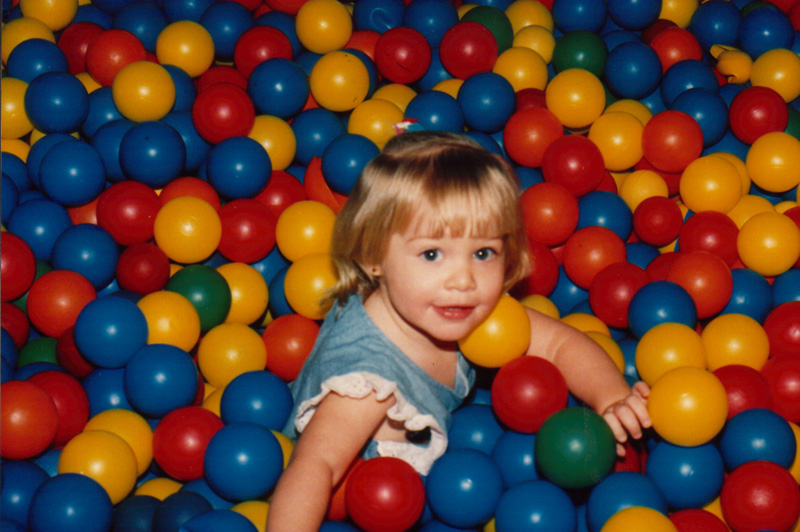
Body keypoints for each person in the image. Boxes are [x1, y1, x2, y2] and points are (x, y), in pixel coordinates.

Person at [266, 131, 650, 531]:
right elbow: (315, 466)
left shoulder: (458, 309)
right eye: (432, 254)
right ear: (373, 256)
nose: (463, 279)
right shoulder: (366, 384)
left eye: (483, 253)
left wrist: (611, 395)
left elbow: (560, 343)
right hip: (373, 499)